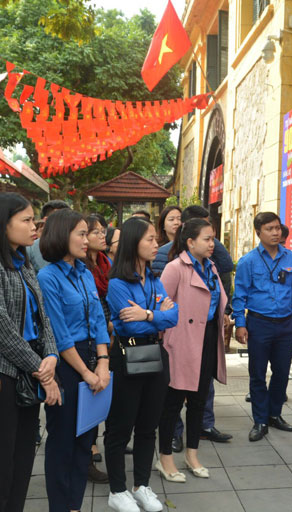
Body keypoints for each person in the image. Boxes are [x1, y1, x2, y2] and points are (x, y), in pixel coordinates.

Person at [0, 192, 62, 512]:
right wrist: (41, 368)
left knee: (22, 465)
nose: (34, 226)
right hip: (0, 376)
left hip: (28, 373)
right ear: (2, 224)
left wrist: (51, 356)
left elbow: (42, 318)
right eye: (26, 220)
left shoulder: (24, 265)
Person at [38, 210, 112, 511]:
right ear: (61, 235)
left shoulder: (84, 272)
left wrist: (103, 363)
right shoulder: (48, 277)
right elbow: (59, 333)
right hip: (66, 364)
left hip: (94, 356)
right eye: (81, 234)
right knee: (62, 441)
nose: (87, 240)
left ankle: (75, 505)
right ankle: (60, 505)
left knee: (86, 438)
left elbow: (99, 320)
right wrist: (86, 372)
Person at [104, 218, 178, 512]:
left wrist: (148, 315)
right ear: (133, 242)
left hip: (155, 354)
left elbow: (174, 316)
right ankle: (117, 490)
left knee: (149, 426)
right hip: (128, 357)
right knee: (120, 428)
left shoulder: (155, 279)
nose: (156, 244)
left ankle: (141, 485)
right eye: (150, 239)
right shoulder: (117, 283)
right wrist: (158, 314)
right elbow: (129, 326)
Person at [153, 205, 234, 449]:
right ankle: (169, 444)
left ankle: (194, 448)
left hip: (207, 334)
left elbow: (218, 294)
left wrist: (223, 315)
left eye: (213, 238)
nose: (212, 244)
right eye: (207, 239)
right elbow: (161, 304)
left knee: (201, 394)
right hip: (181, 338)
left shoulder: (211, 267)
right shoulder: (174, 267)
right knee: (175, 395)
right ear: (190, 242)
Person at [233, 212, 292, 442]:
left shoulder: (291, 258)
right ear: (258, 233)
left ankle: (274, 414)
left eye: (277, 228)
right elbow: (239, 296)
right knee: (258, 373)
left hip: (286, 325)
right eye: (269, 229)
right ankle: (260, 420)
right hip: (259, 324)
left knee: (282, 372)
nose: (275, 233)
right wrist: (240, 324)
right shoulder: (248, 261)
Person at [83, 213, 112, 481]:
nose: (102, 236)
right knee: (89, 396)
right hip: (91, 339)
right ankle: (89, 449)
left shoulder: (105, 263)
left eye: (103, 231)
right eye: (95, 232)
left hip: (108, 337)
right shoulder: (81, 267)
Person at [28, 200, 71, 272]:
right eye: (61, 220)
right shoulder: (30, 250)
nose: (65, 224)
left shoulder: (75, 247)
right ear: (46, 220)